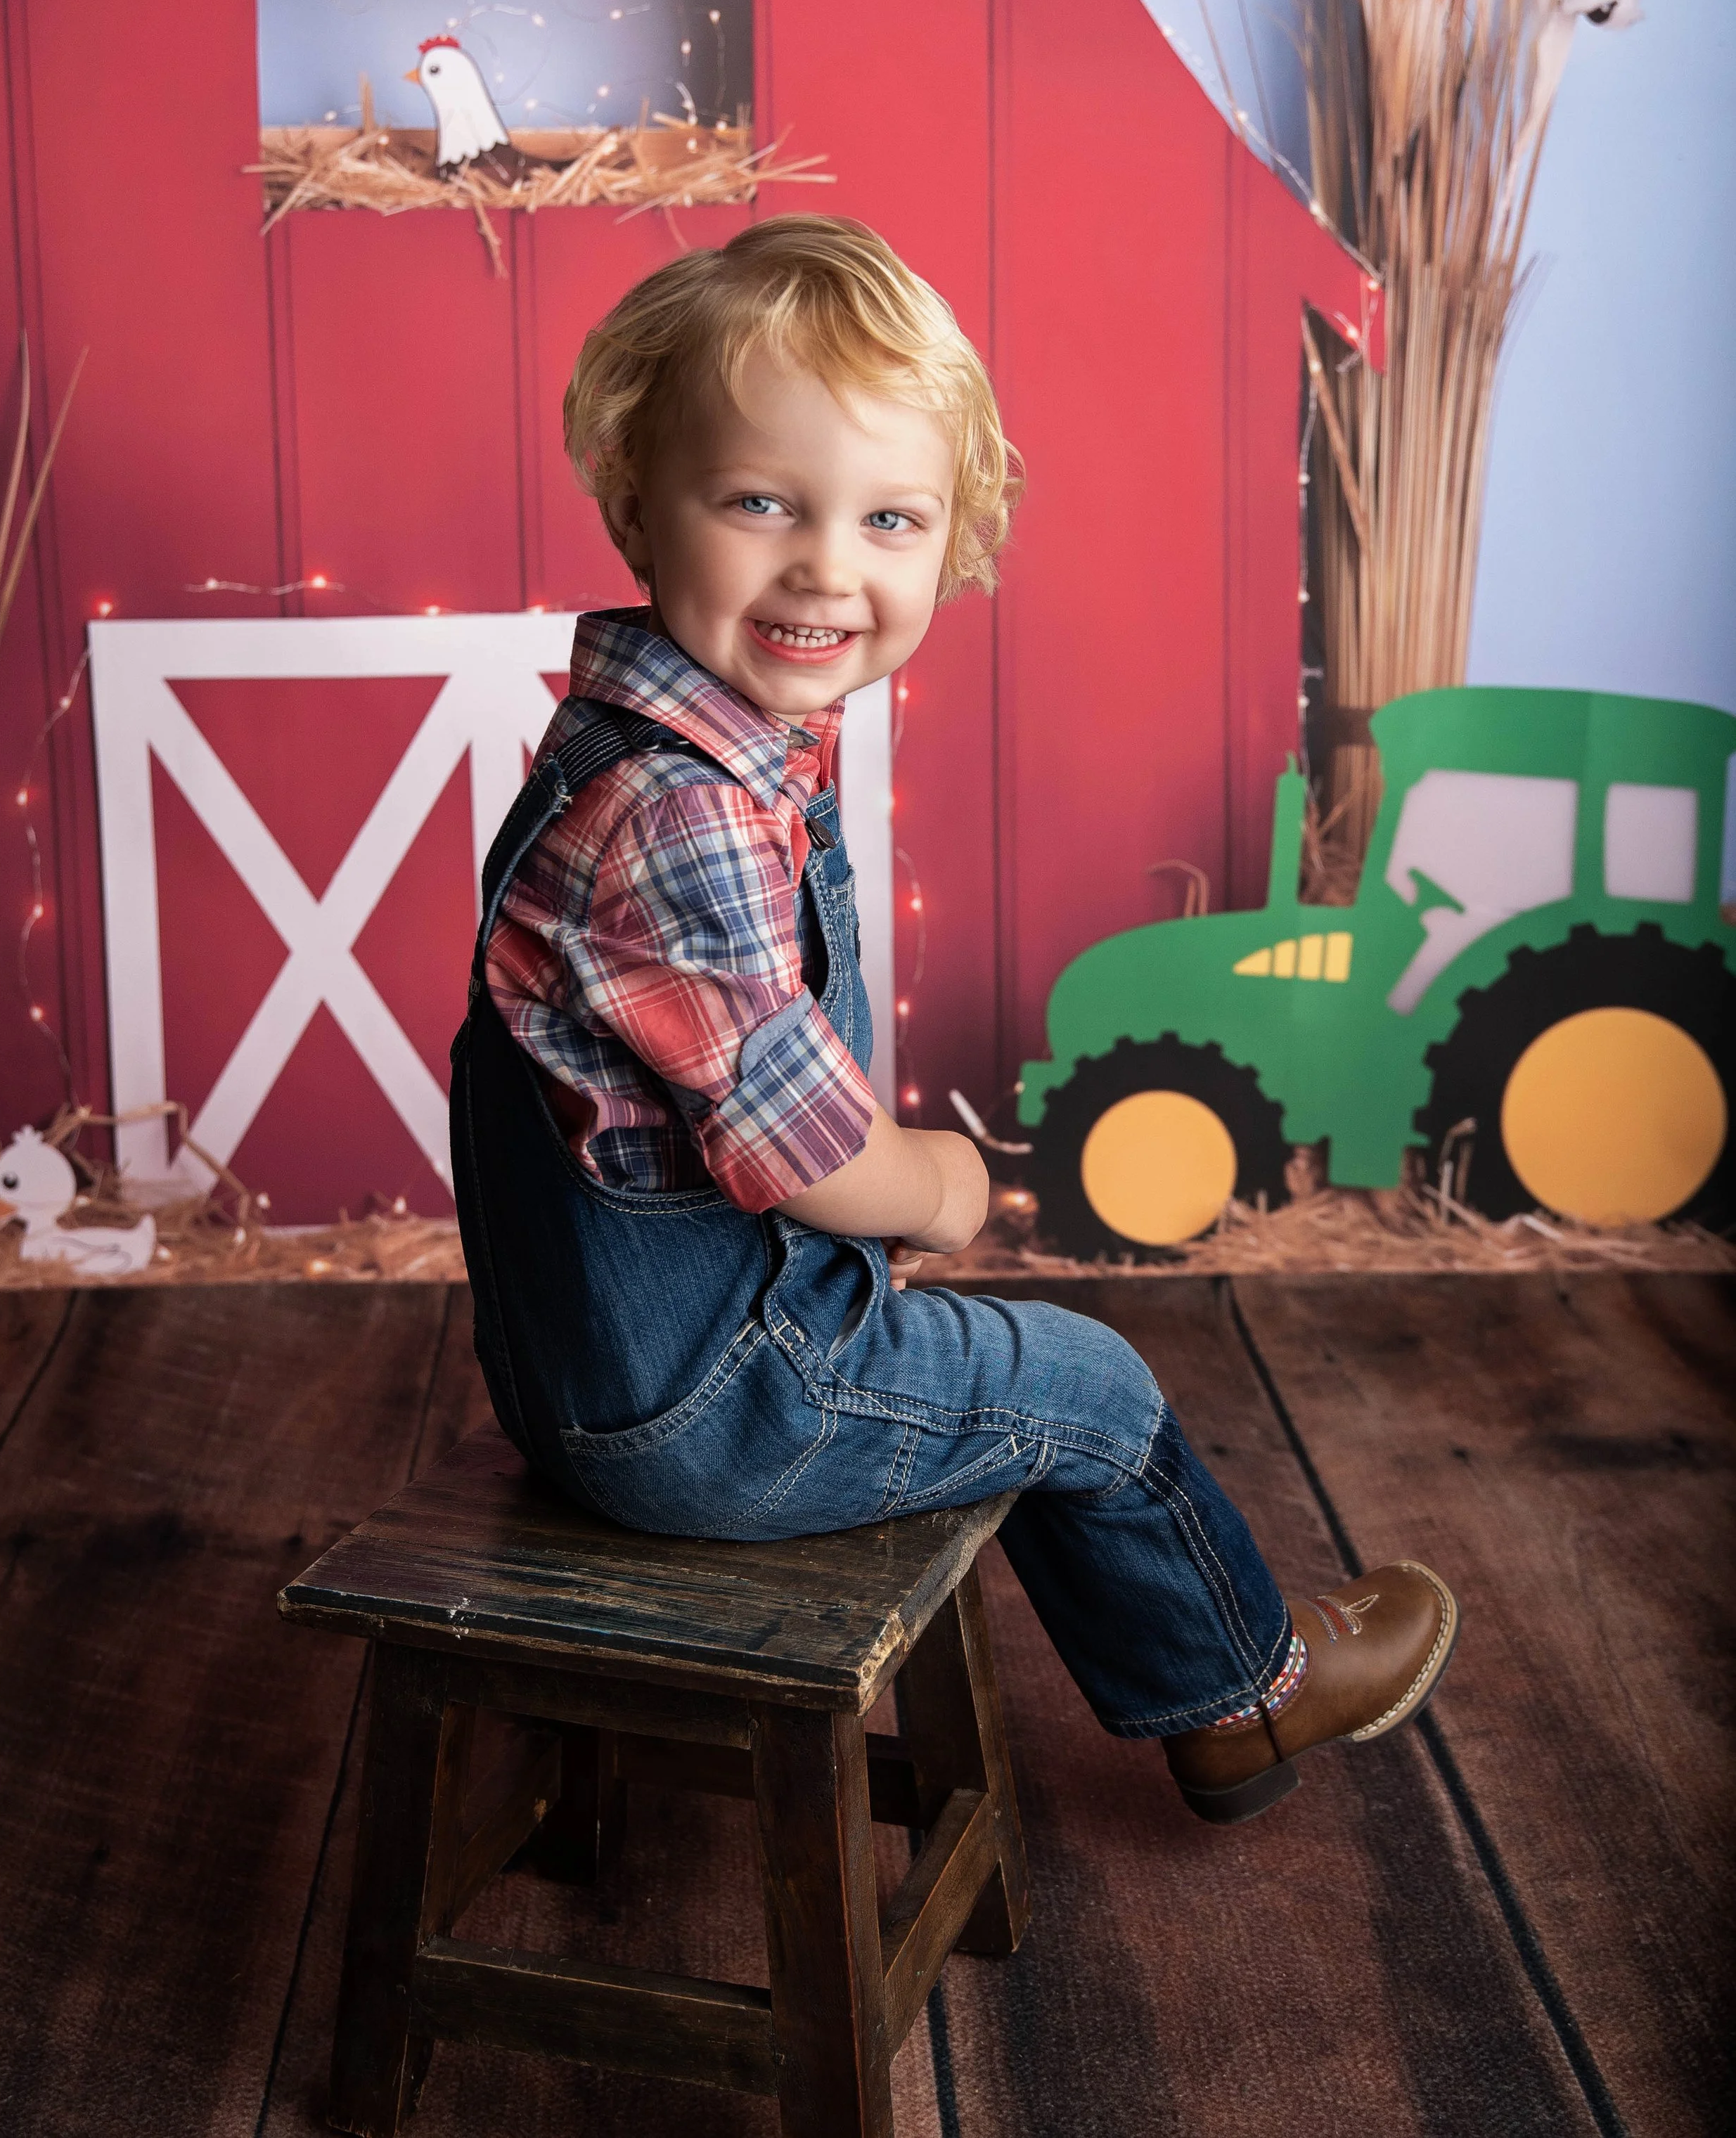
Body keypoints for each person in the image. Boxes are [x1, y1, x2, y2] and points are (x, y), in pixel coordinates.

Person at [449, 214, 1458, 1824]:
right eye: (759, 502)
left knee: (1015, 1378)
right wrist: (946, 1188)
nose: (824, 567)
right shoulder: (674, 817)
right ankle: (1241, 1698)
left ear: (950, 541)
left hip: (624, 1373)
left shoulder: (701, 749)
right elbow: (808, 1160)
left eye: (889, 519)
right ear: (637, 501)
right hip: (706, 1410)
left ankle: (1199, 1666)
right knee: (1096, 1392)